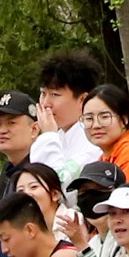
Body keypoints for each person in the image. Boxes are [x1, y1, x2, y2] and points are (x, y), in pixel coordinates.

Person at [30, 51, 107, 182]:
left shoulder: (94, 142)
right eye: (43, 93)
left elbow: (55, 187)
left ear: (83, 99)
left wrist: (48, 136)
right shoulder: (57, 136)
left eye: (55, 95)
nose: (46, 104)